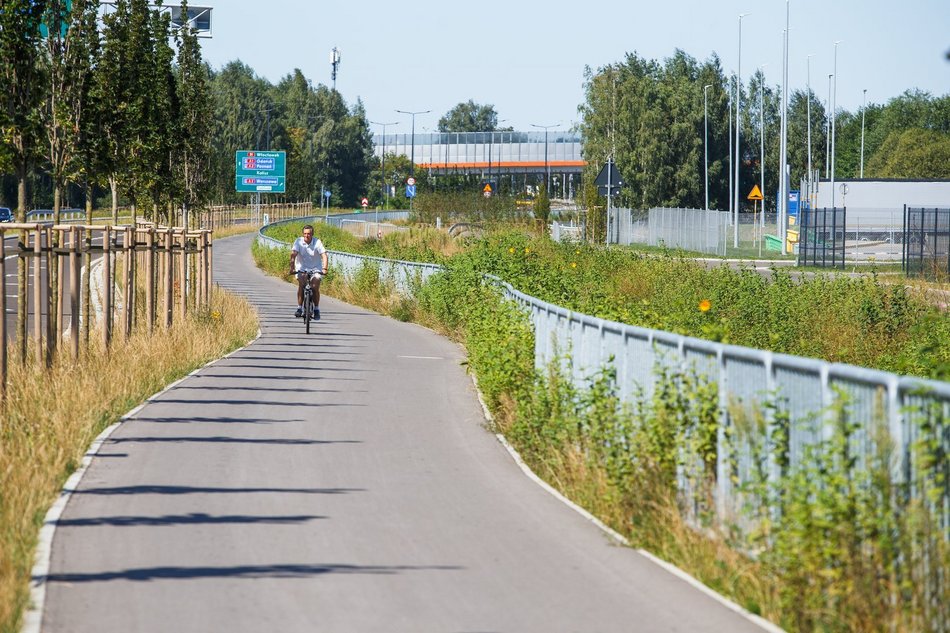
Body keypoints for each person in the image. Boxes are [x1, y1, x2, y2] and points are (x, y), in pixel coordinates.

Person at [289, 224, 328, 319]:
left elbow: (324, 256)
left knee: (315, 287)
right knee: (302, 285)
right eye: (305, 234)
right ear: (303, 234)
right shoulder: (298, 241)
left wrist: (325, 269)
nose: (307, 235)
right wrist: (292, 268)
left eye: (309, 234)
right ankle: (299, 308)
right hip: (302, 268)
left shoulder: (317, 242)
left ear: (312, 234)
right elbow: (293, 255)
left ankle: (316, 309)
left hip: (316, 269)